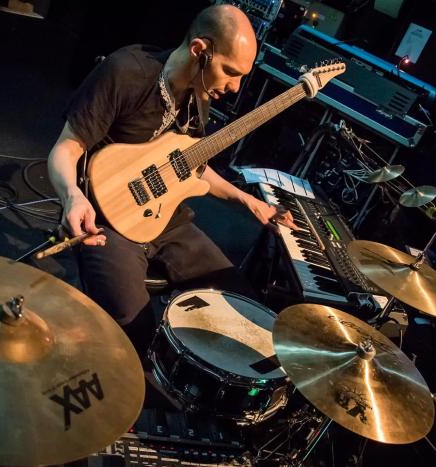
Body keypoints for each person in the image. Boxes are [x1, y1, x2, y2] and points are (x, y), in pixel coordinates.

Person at [47, 5, 296, 356]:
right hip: (107, 220)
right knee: (133, 329)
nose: (235, 87)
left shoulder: (199, 96)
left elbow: (192, 167)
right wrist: (72, 195)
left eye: (242, 77)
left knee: (241, 305)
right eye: (229, 72)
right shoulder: (126, 72)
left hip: (165, 219)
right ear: (199, 50)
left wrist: (250, 201)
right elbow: (65, 149)